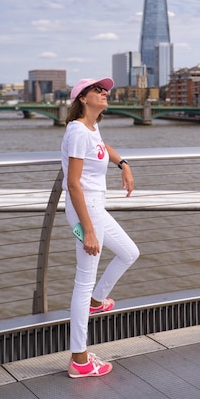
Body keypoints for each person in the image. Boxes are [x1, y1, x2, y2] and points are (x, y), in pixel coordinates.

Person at [61, 77, 140, 378]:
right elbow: (73, 183)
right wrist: (88, 230)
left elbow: (102, 146)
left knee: (129, 252)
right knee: (83, 281)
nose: (105, 92)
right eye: (97, 90)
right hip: (86, 211)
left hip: (96, 208)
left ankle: (97, 301)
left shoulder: (91, 128)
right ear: (82, 98)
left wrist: (123, 164)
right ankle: (79, 359)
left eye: (105, 89)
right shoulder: (78, 131)